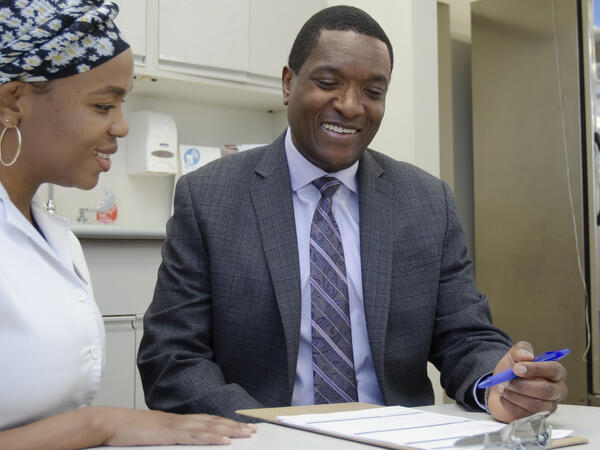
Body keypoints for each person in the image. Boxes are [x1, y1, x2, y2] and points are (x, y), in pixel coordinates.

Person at [138, 5, 567, 424]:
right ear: (289, 83)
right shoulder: (210, 196)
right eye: (328, 82)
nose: (350, 105)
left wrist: (498, 380)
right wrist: (267, 432)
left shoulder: (426, 201)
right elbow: (172, 355)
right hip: (262, 437)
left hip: (394, 437)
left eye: (373, 92)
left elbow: (465, 334)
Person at [0, 1, 256, 448]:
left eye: (121, 105)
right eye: (103, 105)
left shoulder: (56, 237)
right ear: (13, 102)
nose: (122, 127)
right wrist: (99, 425)